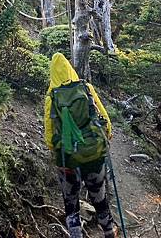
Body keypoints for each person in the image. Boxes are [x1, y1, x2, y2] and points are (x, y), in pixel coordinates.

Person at [44, 52, 117, 238]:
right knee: (98, 193)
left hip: (67, 158)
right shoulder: (86, 88)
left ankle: (75, 232)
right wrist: (106, 137)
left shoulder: (51, 97)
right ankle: (108, 229)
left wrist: (59, 151)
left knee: (70, 197)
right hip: (93, 152)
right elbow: (104, 119)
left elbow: (49, 134)